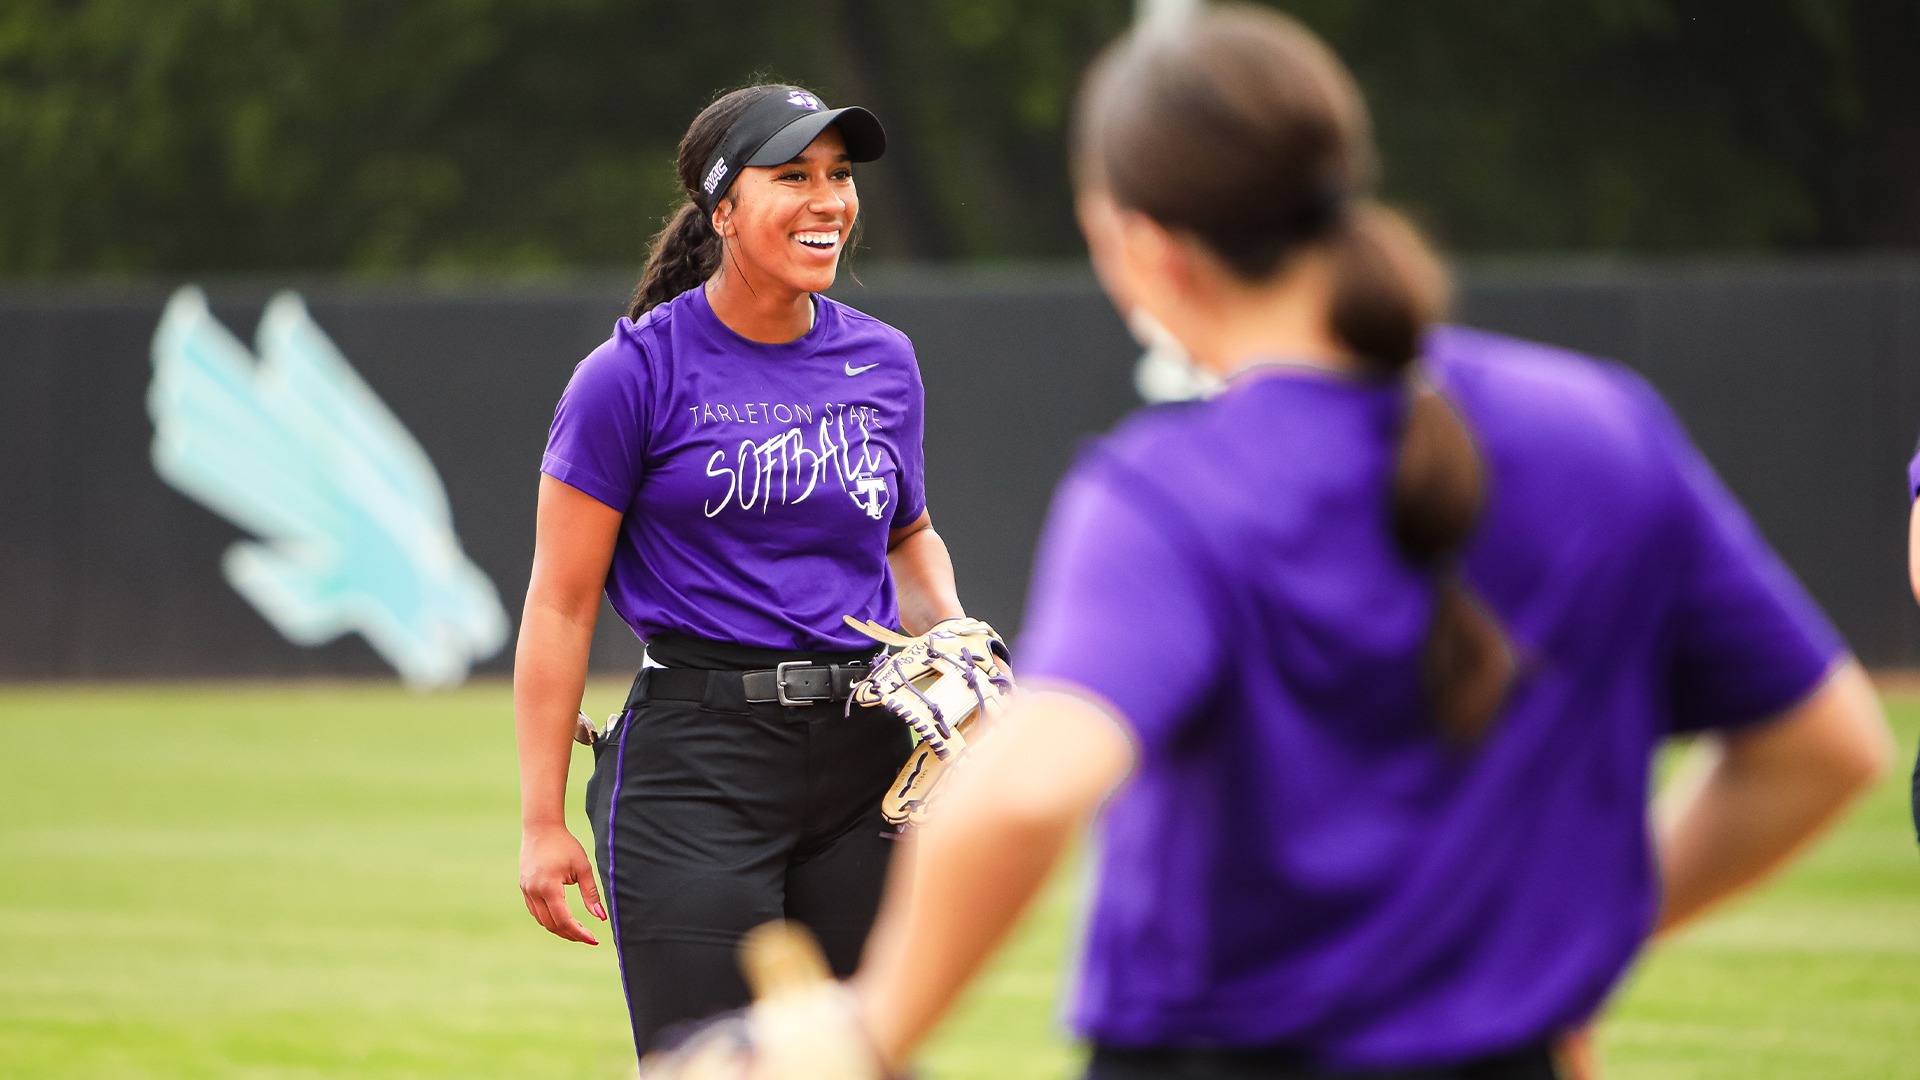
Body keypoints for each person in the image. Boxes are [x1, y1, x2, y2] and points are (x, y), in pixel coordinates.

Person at [841, 9, 1893, 1080]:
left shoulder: (1172, 488)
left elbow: (1024, 790)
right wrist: (1561, 961)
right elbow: (1824, 751)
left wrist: (862, 1034)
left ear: (1142, 246)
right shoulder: (1602, 431)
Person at [512, 83, 972, 1060]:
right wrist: (540, 819)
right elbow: (558, 605)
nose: (829, 199)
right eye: (793, 176)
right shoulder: (632, 375)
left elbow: (904, 539)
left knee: (861, 1059)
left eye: (839, 176)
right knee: (711, 1065)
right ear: (723, 210)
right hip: (696, 766)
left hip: (865, 761)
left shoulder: (884, 362)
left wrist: (965, 653)